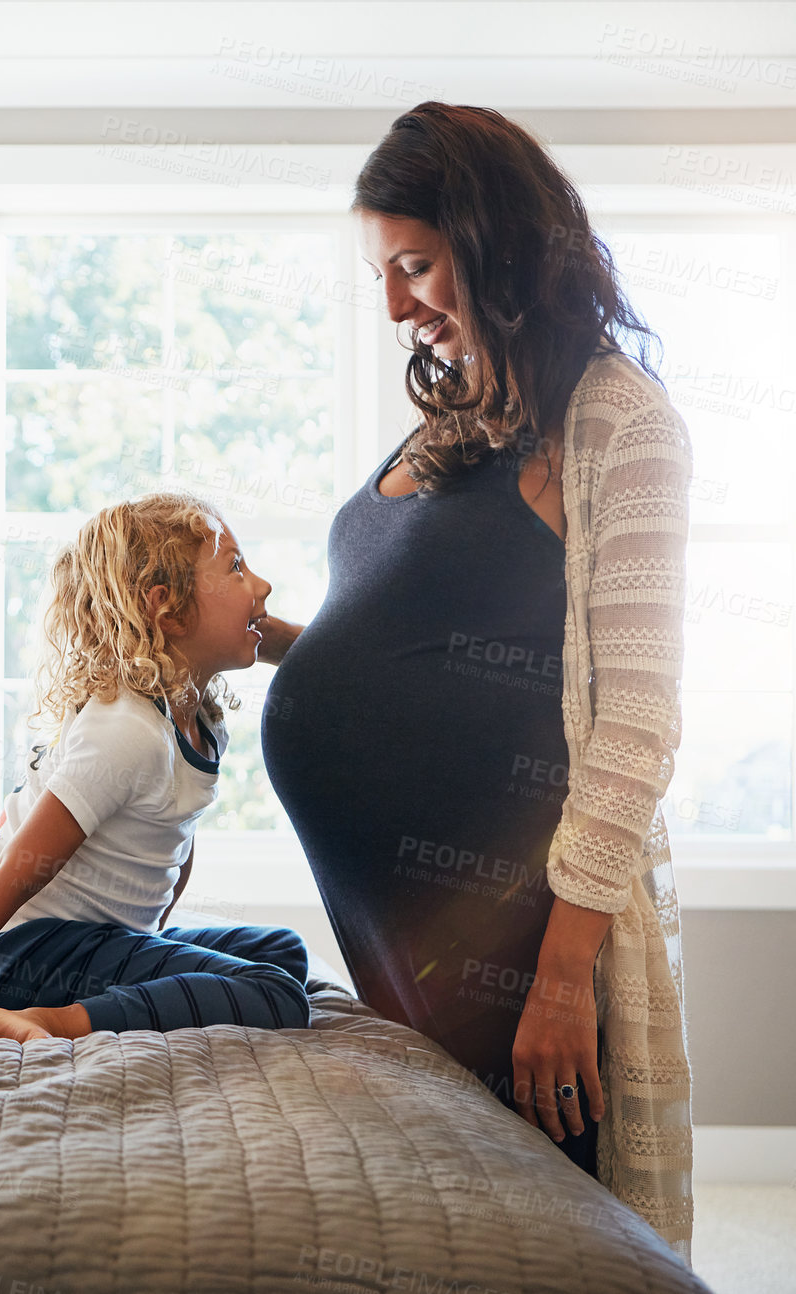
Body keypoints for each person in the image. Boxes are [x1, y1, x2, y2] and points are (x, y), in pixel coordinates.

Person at [257, 103, 694, 1260]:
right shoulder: (457, 418)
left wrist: (557, 980)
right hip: (403, 934)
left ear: (493, 241)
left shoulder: (616, 425)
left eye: (414, 265)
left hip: (513, 939)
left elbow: (638, 719)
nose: (395, 305)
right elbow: (406, 652)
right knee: (442, 1232)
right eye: (381, 274)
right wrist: (260, 646)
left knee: (538, 1234)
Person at [0, 492, 310, 1044]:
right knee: (276, 991)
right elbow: (12, 875)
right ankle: (52, 1019)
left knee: (286, 952)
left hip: (95, 943)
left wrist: (155, 953)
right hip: (31, 958)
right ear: (167, 608)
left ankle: (96, 999)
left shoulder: (197, 718)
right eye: (236, 567)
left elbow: (173, 844)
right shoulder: (126, 731)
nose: (261, 586)